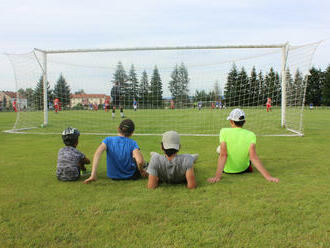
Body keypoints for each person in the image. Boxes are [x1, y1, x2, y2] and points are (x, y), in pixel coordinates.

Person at [208, 108, 279, 183]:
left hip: (227, 171)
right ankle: (247, 166)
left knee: (220, 149)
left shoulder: (224, 131)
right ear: (244, 122)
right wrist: (268, 177)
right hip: (244, 169)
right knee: (247, 151)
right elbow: (253, 157)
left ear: (231, 121)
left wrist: (217, 177)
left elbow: (223, 155)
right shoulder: (251, 134)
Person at [84, 119, 147, 183]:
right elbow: (140, 161)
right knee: (143, 162)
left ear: (118, 129)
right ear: (132, 133)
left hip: (113, 176)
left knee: (136, 159)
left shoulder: (108, 140)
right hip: (130, 176)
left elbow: (98, 153)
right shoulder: (132, 143)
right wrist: (141, 171)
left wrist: (93, 174)